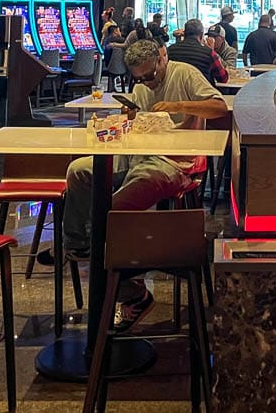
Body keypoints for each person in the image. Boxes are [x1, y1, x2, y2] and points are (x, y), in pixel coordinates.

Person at [47, 40, 228, 329]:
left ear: (162, 57)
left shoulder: (185, 74)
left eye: (150, 75)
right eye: (139, 78)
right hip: (140, 155)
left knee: (121, 201)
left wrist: (179, 105)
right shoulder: (141, 87)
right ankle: (80, 246)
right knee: (78, 170)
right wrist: (125, 120)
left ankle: (128, 285)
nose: (145, 82)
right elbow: (139, 125)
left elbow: (219, 107)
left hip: (178, 163)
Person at [166, 19, 228, 86]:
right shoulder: (209, 53)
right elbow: (223, 78)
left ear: (184, 33)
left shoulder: (169, 50)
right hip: (202, 94)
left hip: (176, 94)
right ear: (201, 35)